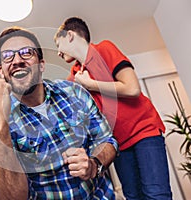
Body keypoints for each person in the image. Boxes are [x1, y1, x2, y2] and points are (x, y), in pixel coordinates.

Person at [0, 26, 118, 200]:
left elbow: (107, 140)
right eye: (7, 56)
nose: (17, 60)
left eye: (26, 52)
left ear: (41, 65)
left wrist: (94, 164)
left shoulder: (74, 92)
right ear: (2, 71)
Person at [54, 16, 172, 199]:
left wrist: (91, 84)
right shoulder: (74, 77)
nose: (58, 53)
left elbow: (132, 88)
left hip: (144, 132)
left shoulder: (104, 49)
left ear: (69, 35)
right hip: (118, 144)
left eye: (57, 44)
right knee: (132, 196)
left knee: (156, 194)